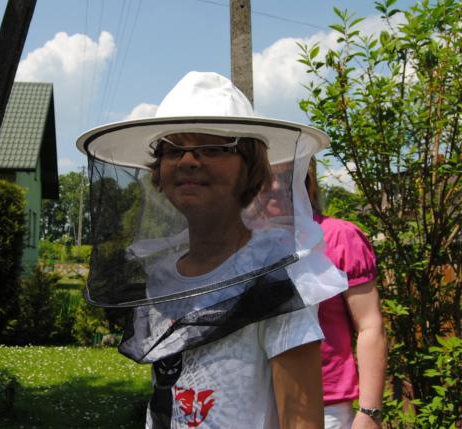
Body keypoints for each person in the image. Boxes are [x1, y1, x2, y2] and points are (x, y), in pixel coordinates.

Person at [77, 71, 348, 428]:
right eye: (174, 149)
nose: (188, 161)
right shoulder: (162, 277)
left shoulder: (275, 275)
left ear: (250, 167)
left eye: (212, 148)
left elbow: (302, 422)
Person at [306, 159, 387, 429]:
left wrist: (369, 412)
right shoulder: (250, 243)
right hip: (259, 401)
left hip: (326, 408)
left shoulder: (339, 237)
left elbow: (369, 325)